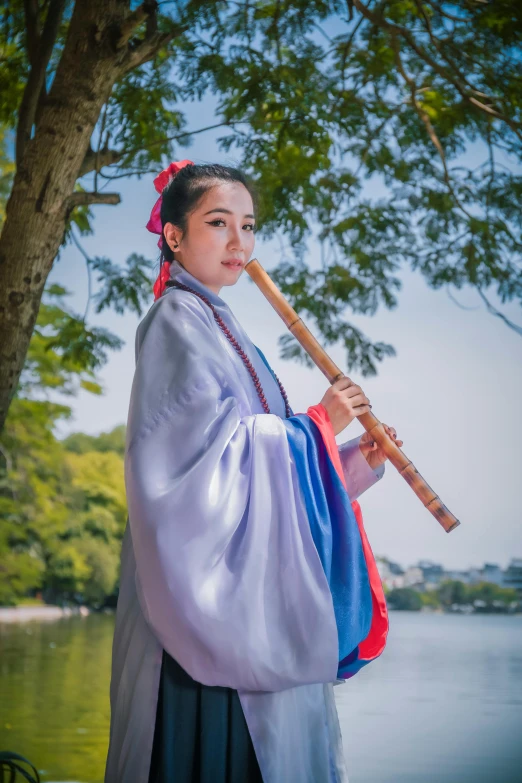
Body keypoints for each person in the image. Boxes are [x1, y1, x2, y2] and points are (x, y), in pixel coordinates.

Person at [104, 160, 403, 783]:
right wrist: (319, 419)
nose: (240, 242)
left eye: (249, 225)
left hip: (253, 586)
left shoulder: (223, 324)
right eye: (219, 223)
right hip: (199, 592)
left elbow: (263, 477)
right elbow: (195, 470)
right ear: (175, 237)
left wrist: (347, 460)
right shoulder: (174, 321)